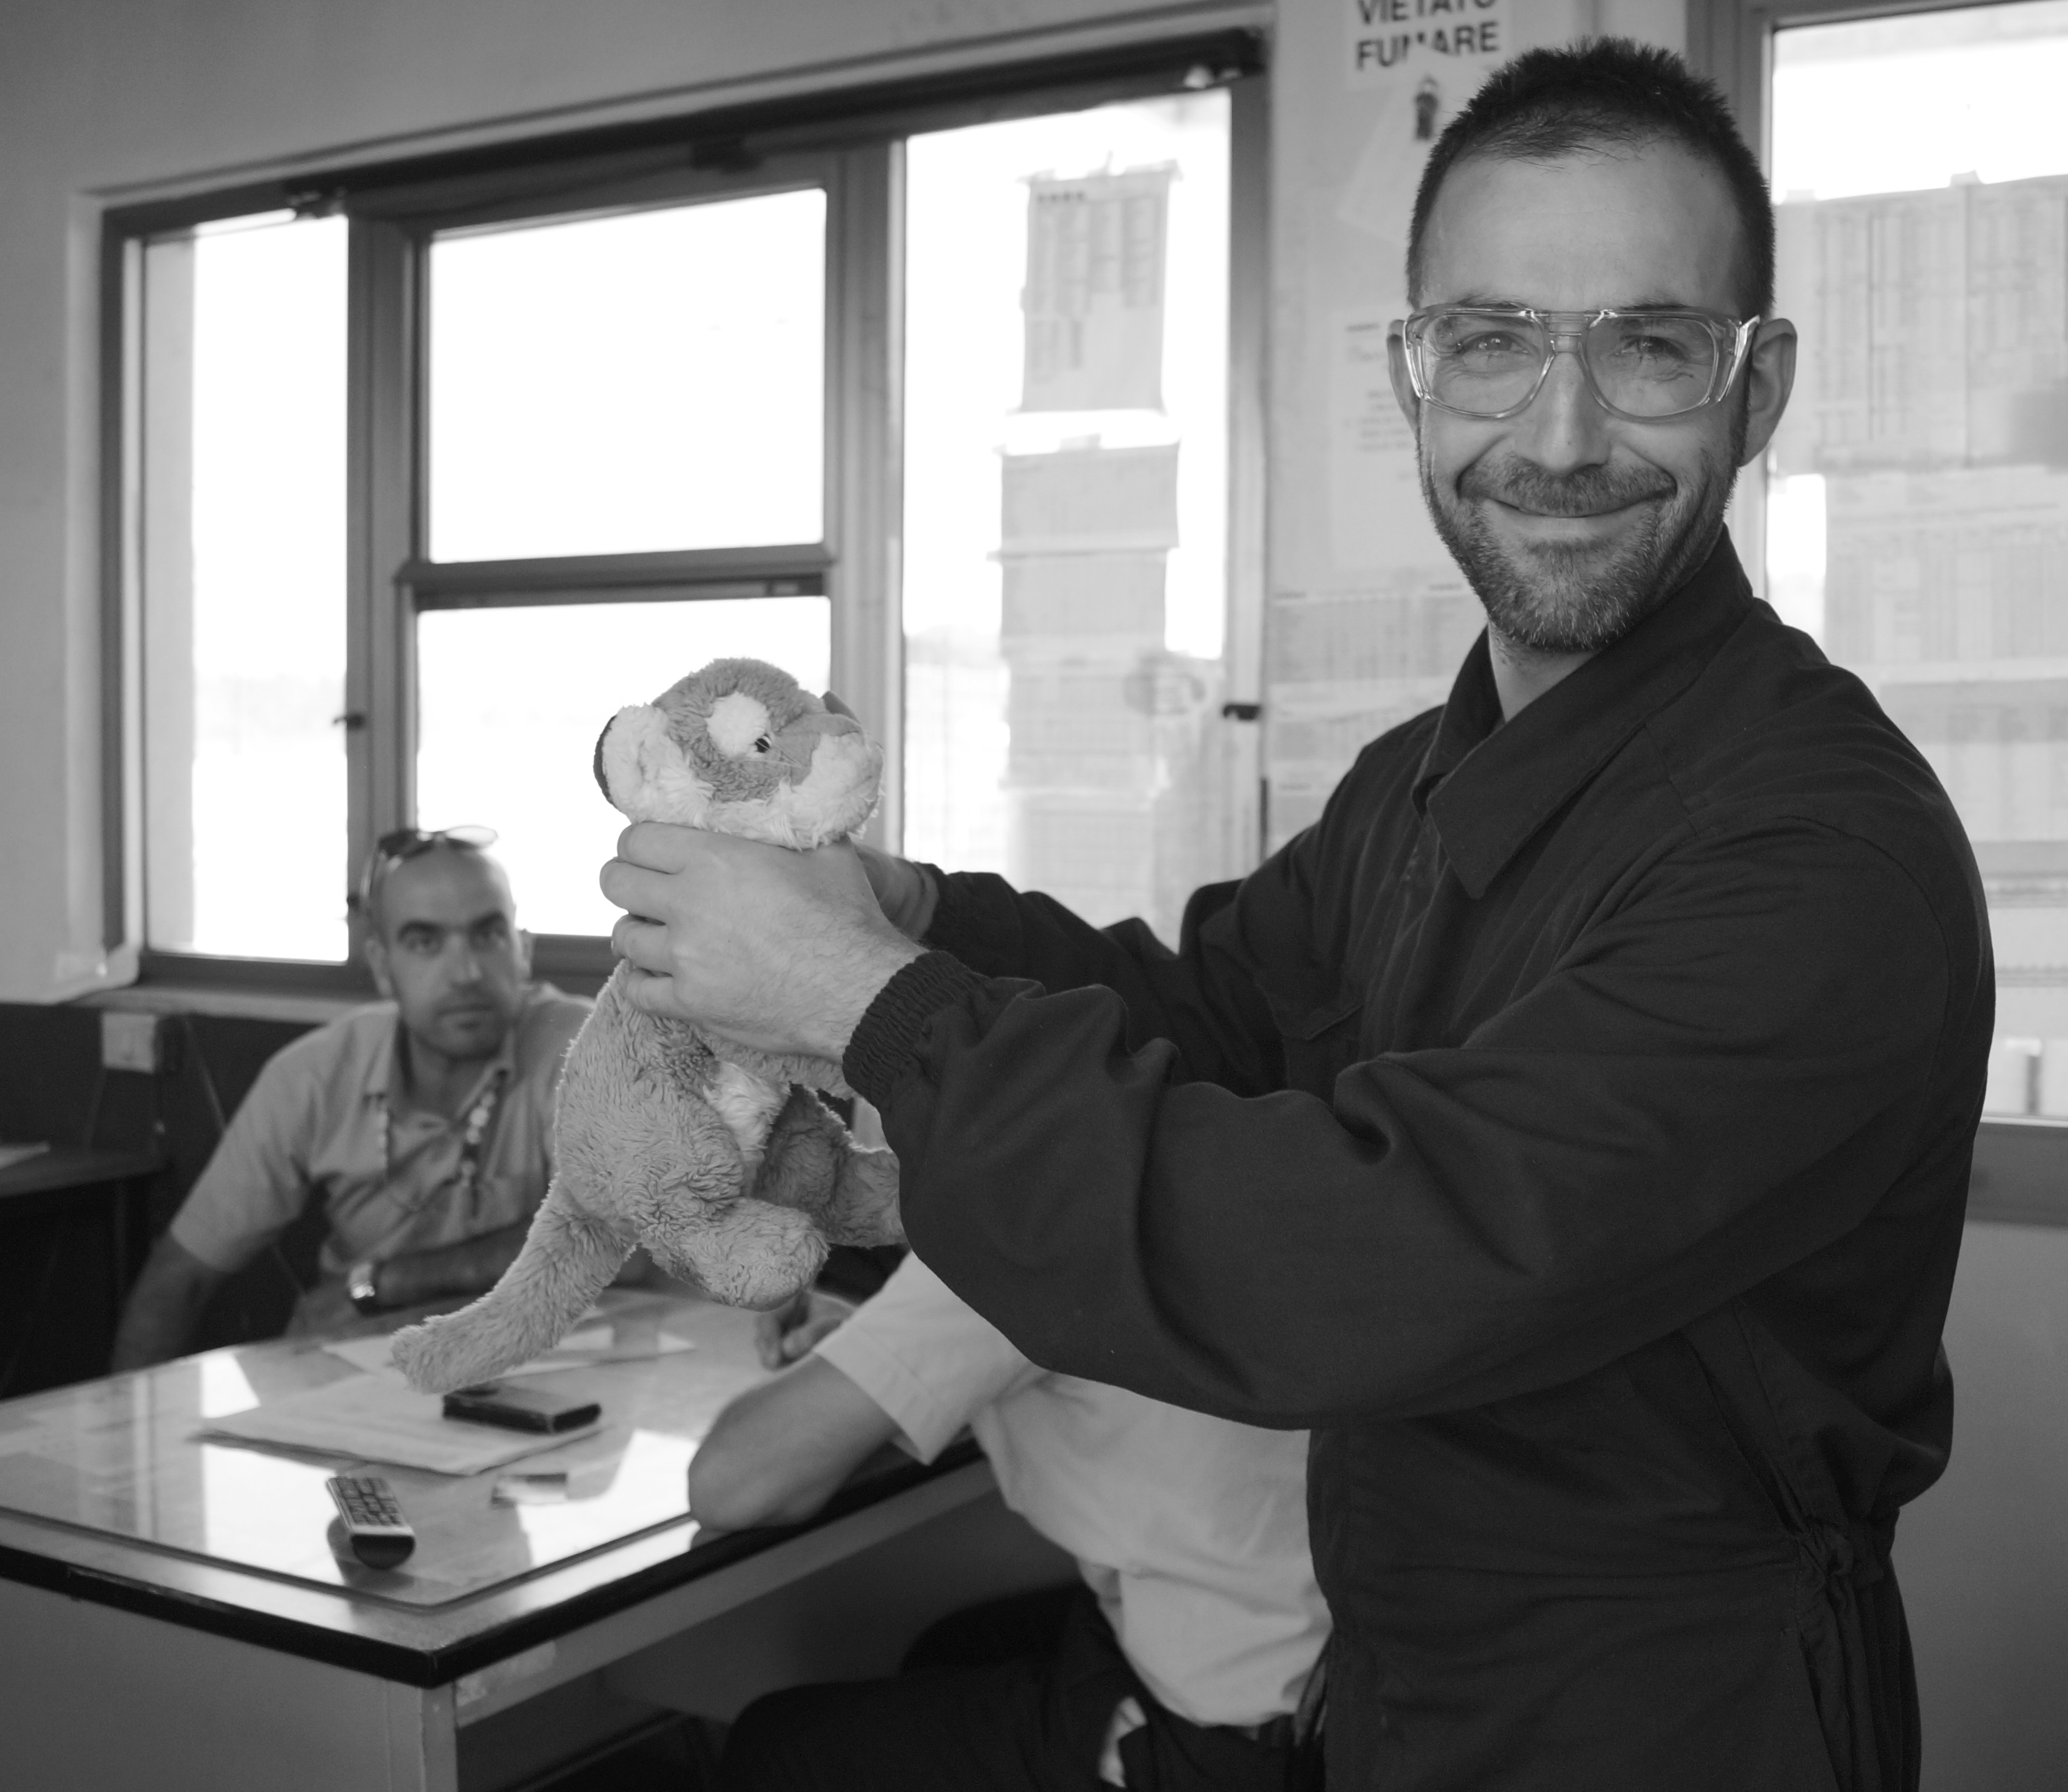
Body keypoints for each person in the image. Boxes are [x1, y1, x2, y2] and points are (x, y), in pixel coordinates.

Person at [602, 41, 1990, 1792]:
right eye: (1489, 342)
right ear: (1413, 375)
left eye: (1648, 347)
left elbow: (1365, 1256)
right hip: (1402, 1676)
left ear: (1756, 386)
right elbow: (1222, 1024)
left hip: (1675, 1718)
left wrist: (867, 1002)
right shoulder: (1427, 780)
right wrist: (913, 913)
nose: (1559, 436)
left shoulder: (1815, 855)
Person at [691, 1244, 1329, 1792]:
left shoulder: (1010, 1224)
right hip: (1338, 1665)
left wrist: (870, 1359)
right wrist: (874, 1351)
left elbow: (732, 1485)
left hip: (1232, 1738)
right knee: (952, 1649)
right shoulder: (1211, 1169)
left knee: (775, 1746)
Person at [111, 828, 594, 1368]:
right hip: (362, 1373)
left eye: (488, 935)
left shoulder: (583, 1048)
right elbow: (182, 1279)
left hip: (555, 1368)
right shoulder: (313, 1075)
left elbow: (612, 1237)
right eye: (425, 942)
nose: (467, 974)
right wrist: (129, 1417)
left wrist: (385, 1283)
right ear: (382, 967)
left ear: (523, 951)